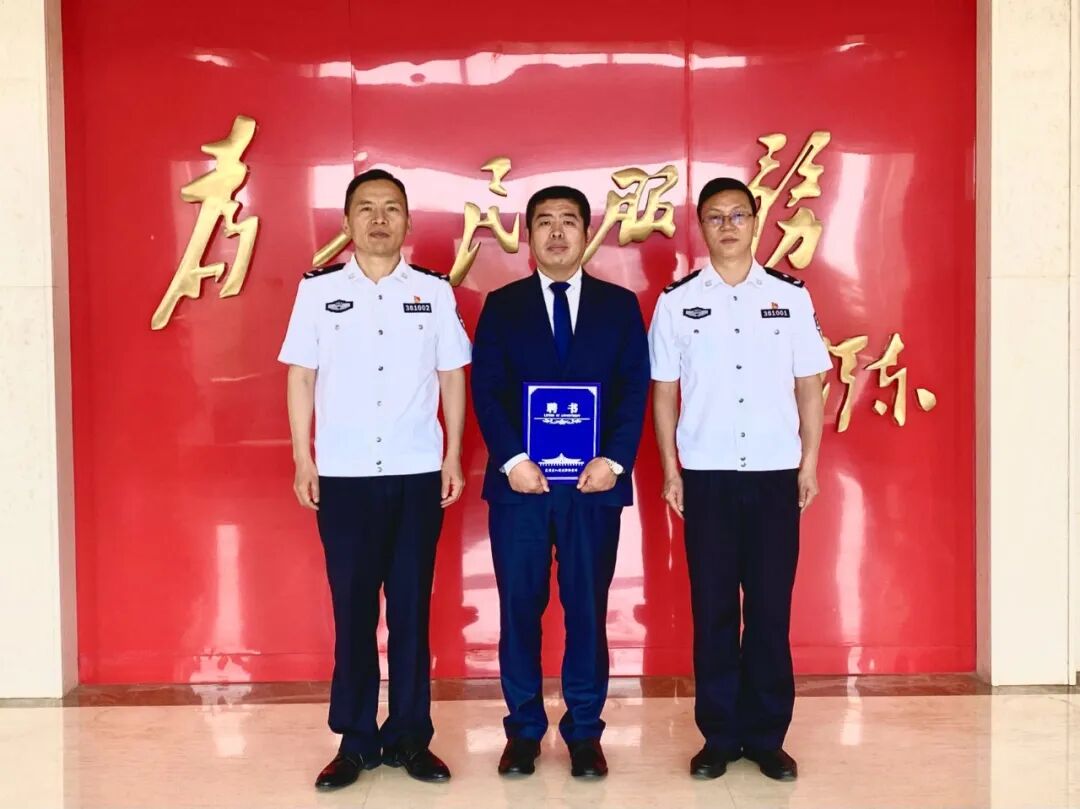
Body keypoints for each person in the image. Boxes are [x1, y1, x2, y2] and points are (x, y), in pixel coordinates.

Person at [278, 168, 471, 789]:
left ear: (408, 222)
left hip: (416, 473)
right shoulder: (318, 292)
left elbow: (452, 375)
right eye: (367, 208)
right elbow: (301, 376)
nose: (380, 219)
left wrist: (453, 455)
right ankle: (356, 740)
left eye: (392, 208)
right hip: (346, 476)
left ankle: (411, 736)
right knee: (354, 611)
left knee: (412, 610)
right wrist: (303, 458)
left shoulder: (433, 292)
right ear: (347, 222)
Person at [648, 177, 830, 782]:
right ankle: (720, 736)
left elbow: (809, 385)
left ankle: (767, 737)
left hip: (776, 474)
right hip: (708, 477)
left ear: (755, 221)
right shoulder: (677, 302)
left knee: (771, 612)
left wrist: (809, 462)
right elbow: (665, 392)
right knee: (715, 611)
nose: (727, 226)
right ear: (701, 227)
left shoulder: (789, 297)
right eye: (715, 217)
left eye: (738, 215)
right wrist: (671, 470)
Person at [470, 185, 650, 778]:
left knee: (587, 610)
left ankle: (584, 730)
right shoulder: (503, 305)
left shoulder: (619, 306)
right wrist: (512, 459)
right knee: (520, 608)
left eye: (568, 221)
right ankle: (523, 729)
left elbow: (633, 389)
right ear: (528, 236)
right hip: (520, 488)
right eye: (543, 221)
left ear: (586, 234)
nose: (555, 232)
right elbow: (487, 389)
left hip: (593, 488)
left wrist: (614, 460)